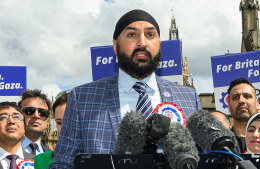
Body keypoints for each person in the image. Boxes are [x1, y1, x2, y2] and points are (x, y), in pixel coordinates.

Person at [49, 9, 202, 168]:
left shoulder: (188, 97)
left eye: (150, 35)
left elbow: (204, 160)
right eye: (132, 35)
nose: (142, 42)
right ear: (115, 46)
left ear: (159, 45)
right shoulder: (82, 98)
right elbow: (62, 164)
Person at [34, 91, 69, 169]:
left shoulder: (99, 157)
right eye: (59, 122)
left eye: (69, 121)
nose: (64, 128)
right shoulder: (41, 161)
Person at [227, 78, 259, 153]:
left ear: (257, 103)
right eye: (236, 97)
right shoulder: (220, 145)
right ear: (229, 105)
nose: (241, 100)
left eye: (247, 96)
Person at [18, 89, 52, 155]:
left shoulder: (53, 158)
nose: (36, 115)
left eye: (42, 112)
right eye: (29, 111)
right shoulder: (5, 151)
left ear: (47, 121)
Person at [0, 102, 34, 168]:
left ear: (24, 128)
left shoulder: (40, 163)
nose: (11, 121)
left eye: (16, 117)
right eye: (3, 117)